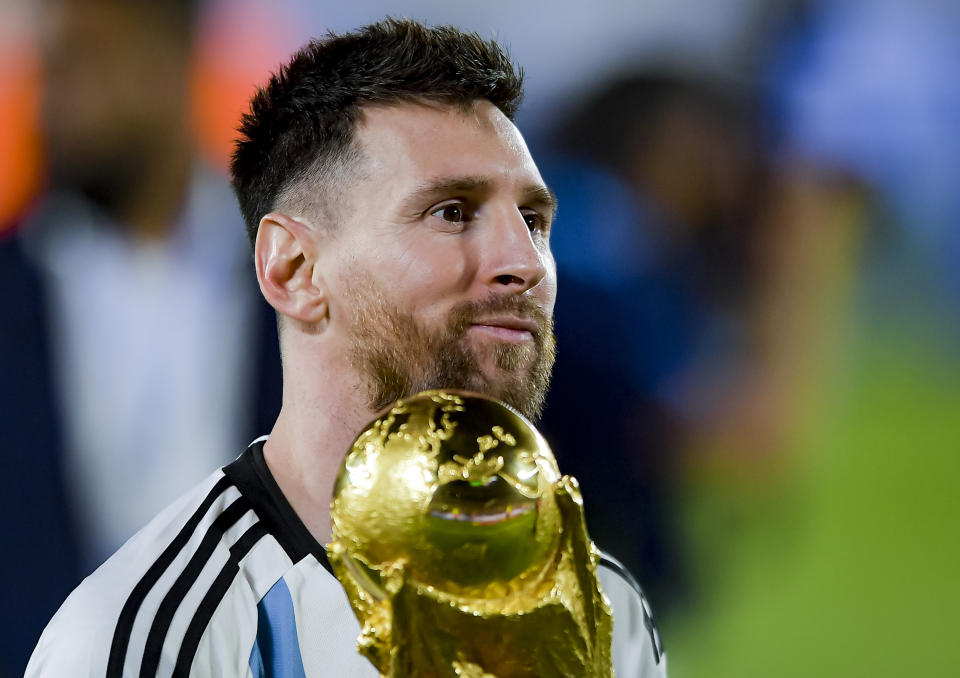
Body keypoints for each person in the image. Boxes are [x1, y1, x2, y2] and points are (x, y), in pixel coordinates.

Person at [26, 19, 666, 677]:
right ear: (294, 270)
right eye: (452, 211)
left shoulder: (607, 612)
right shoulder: (148, 636)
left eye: (533, 221)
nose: (522, 263)